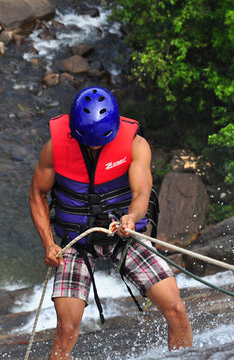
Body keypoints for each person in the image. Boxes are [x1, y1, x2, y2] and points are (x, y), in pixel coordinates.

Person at [29, 86, 193, 359]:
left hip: (125, 235)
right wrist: (48, 243)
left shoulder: (135, 145)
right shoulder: (54, 149)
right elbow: (37, 193)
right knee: (66, 329)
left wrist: (132, 217)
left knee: (176, 309)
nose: (94, 146)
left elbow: (141, 193)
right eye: (88, 141)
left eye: (100, 141)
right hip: (77, 242)